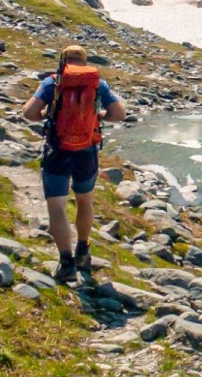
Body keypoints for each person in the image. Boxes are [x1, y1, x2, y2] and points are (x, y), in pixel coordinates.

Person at [21, 45, 126, 283]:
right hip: (87, 152)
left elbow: (28, 112)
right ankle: (83, 250)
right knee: (84, 200)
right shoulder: (97, 83)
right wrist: (99, 117)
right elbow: (120, 114)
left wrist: (46, 115)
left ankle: (66, 262)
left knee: (57, 205)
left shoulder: (53, 82)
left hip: (58, 150)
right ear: (85, 61)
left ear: (63, 60)